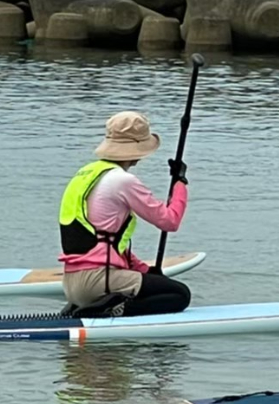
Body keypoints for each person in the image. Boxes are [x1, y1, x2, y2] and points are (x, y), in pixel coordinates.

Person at [59, 111, 190, 317]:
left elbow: (107, 243)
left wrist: (143, 270)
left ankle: (86, 306)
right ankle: (106, 310)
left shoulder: (85, 174)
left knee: (159, 283)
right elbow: (170, 221)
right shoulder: (123, 180)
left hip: (71, 283)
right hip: (100, 281)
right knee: (179, 295)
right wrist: (180, 182)